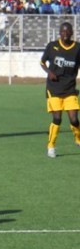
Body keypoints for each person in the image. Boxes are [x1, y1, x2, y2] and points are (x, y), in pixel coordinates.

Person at [39, 22, 80, 158]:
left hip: (70, 89)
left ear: (72, 33)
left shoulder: (77, 48)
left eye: (68, 32)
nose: (65, 34)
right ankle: (51, 146)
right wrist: (49, 72)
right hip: (54, 88)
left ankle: (78, 139)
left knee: (74, 119)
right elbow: (42, 62)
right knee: (57, 118)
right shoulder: (52, 46)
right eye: (63, 32)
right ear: (59, 33)